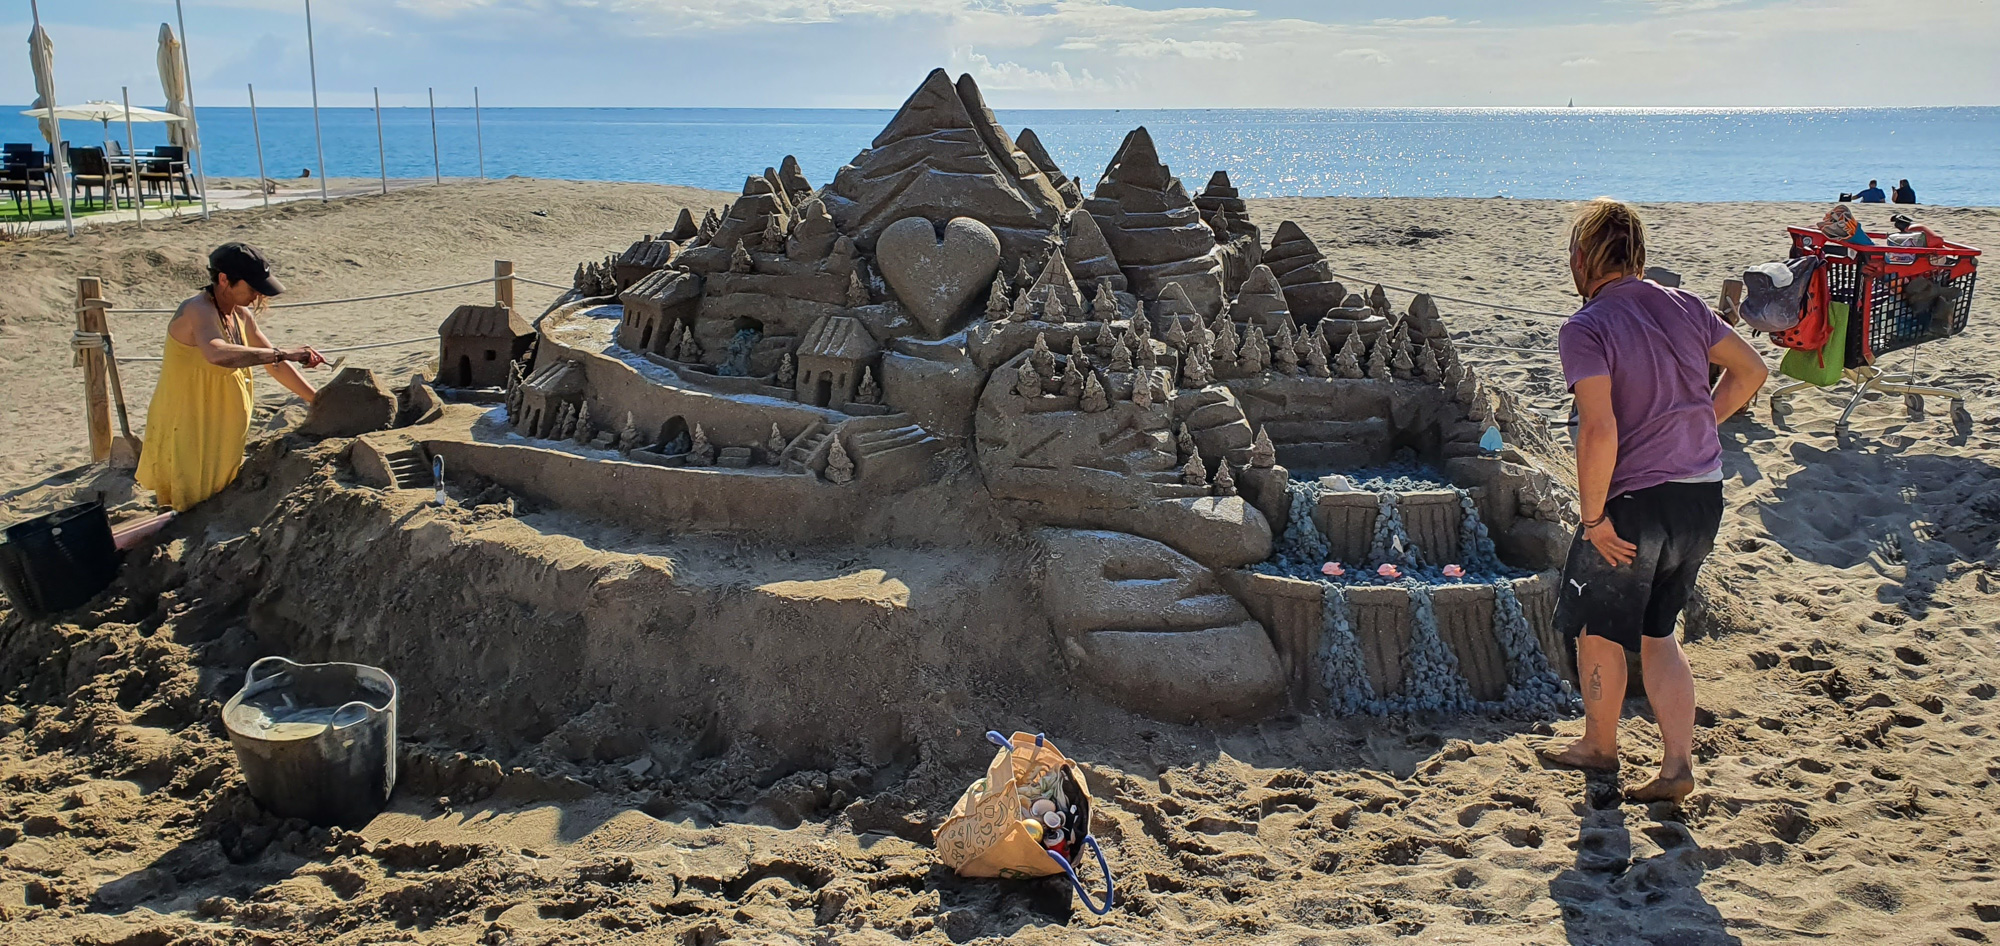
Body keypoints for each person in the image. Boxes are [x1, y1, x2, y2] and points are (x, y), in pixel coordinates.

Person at [1539, 199, 1769, 804]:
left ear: (1582, 257)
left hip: (1636, 503)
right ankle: (1675, 768)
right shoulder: (1688, 306)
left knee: (1596, 627)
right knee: (1658, 633)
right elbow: (1751, 372)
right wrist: (1701, 422)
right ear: (1637, 253)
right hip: (1701, 496)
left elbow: (1598, 430)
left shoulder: (1585, 327)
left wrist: (1592, 518)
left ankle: (1599, 744)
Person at [135, 243, 325, 511]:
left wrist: (316, 400)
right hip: (191, 423)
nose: (258, 293)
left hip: (224, 422)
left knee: (217, 493)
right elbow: (217, 353)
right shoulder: (196, 309)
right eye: (252, 286)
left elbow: (274, 364)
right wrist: (284, 353)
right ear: (224, 279)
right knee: (192, 502)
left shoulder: (241, 314)